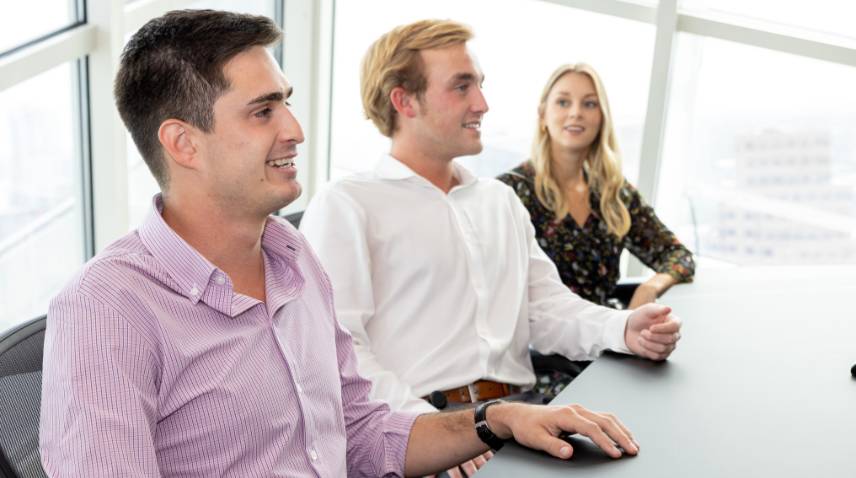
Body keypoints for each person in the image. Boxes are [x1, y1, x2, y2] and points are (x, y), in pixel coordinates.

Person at [38, 10, 644, 478]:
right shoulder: (106, 311)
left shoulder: (292, 255)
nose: (294, 130)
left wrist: (499, 420)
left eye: (288, 104)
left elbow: (362, 431)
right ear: (183, 144)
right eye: (262, 111)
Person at [300, 19, 682, 474]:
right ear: (404, 101)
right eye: (462, 87)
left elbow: (545, 309)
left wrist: (624, 328)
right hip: (426, 430)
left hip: (525, 416)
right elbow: (341, 353)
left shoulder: (498, 200)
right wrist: (440, 432)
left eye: (479, 84)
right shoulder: (347, 205)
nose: (482, 103)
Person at [497, 64, 694, 309]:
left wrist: (650, 287)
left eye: (589, 104)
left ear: (602, 118)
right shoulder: (510, 192)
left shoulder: (614, 193)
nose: (576, 113)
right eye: (563, 102)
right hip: (535, 343)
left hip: (605, 339)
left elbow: (679, 257)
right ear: (542, 115)